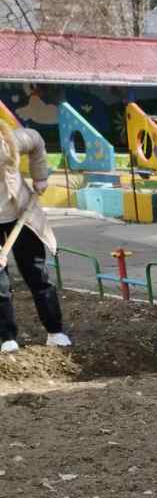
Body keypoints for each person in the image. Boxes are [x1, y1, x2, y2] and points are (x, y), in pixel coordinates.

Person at [0, 119, 70, 354]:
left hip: (21, 214)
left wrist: (40, 177)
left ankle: (55, 331)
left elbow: (36, 140)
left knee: (38, 274)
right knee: (0, 284)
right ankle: (7, 338)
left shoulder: (10, 141)